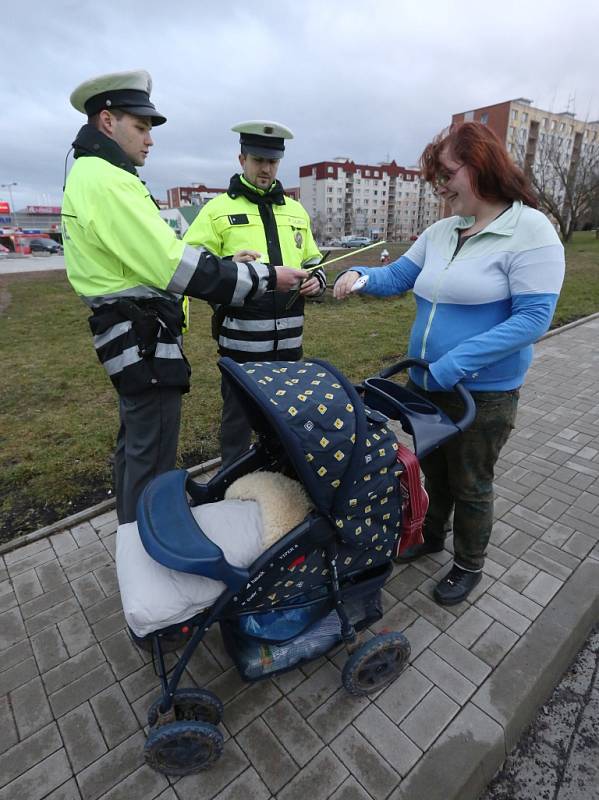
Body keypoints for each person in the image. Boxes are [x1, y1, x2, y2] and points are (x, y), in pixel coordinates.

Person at [334, 121, 565, 605]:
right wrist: (359, 275)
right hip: (425, 382)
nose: (439, 187)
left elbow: (533, 319)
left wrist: (453, 364)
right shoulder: (442, 231)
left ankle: (468, 564)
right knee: (431, 471)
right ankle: (429, 538)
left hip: (481, 393)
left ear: (479, 164)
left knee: (471, 482)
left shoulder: (529, 229)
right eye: (434, 177)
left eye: (445, 174)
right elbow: (399, 275)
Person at [62, 71, 307, 524]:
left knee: (136, 446)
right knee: (151, 456)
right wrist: (260, 276)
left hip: (136, 332)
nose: (150, 139)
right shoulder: (110, 181)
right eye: (141, 126)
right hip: (142, 336)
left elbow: (157, 256)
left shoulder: (93, 173)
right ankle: (147, 550)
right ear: (107, 120)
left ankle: (134, 537)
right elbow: (174, 266)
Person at [184, 120, 325, 468]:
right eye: (258, 160)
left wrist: (318, 281)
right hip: (241, 346)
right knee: (237, 422)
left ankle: (281, 477)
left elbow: (313, 260)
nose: (265, 168)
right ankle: (232, 482)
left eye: (272, 162)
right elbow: (189, 266)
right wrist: (227, 264)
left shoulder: (295, 211)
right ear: (242, 159)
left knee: (286, 416)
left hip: (290, 344)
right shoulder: (217, 210)